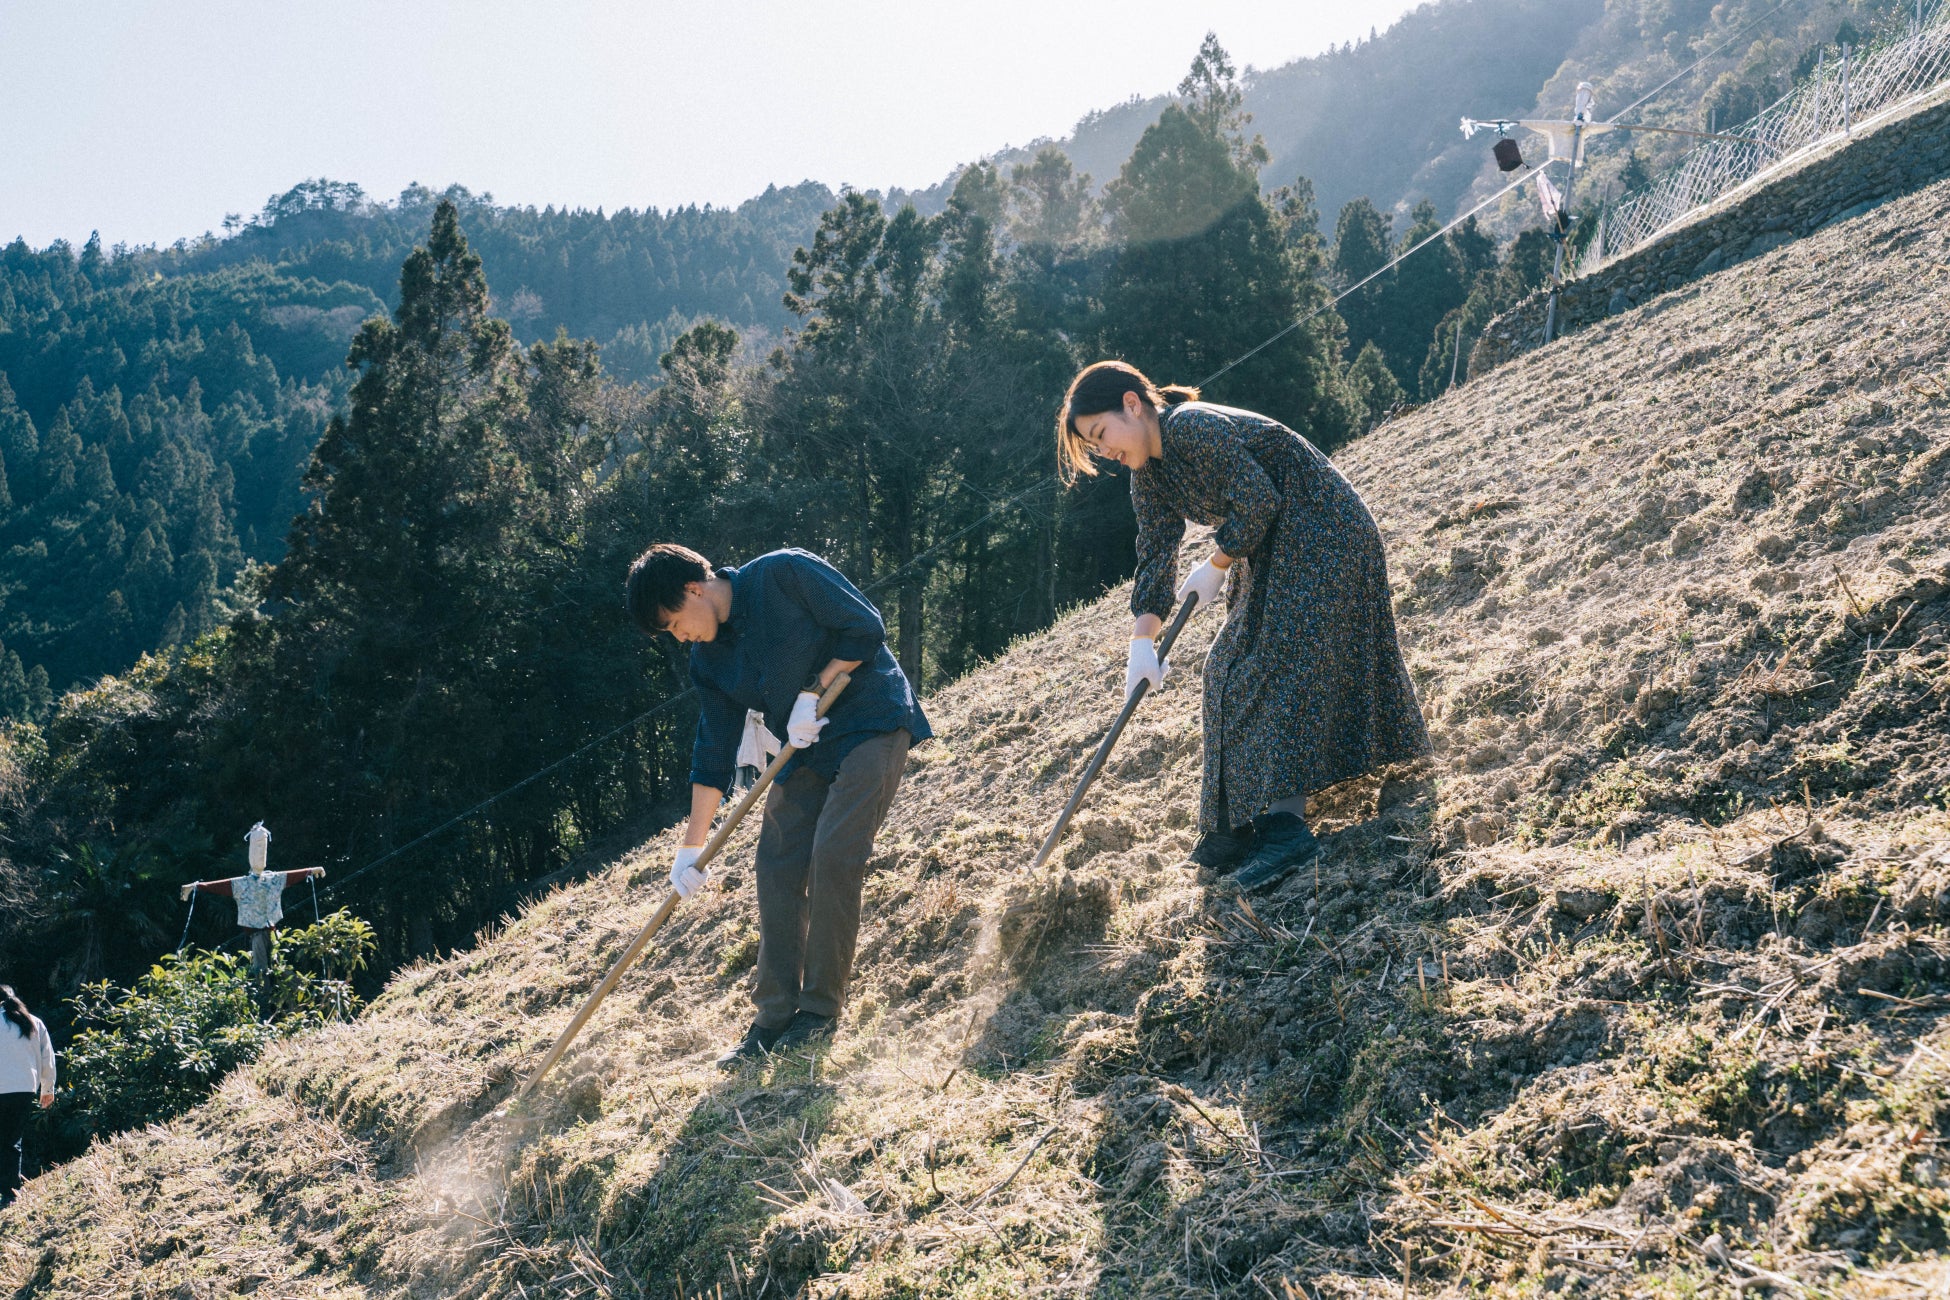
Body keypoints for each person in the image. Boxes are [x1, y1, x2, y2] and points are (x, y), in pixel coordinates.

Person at [1056, 360, 1430, 892]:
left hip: (1324, 529)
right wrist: (1142, 638)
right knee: (1225, 669)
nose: (1107, 451)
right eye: (1095, 448)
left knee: (1275, 663)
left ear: (1132, 405)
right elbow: (1155, 554)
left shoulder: (1192, 427)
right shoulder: (1148, 477)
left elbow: (1259, 498)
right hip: (1274, 545)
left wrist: (1215, 564)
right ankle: (1230, 827)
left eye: (1102, 434)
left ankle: (1286, 827)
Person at [625, 544, 931, 1067]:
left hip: (869, 719)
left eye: (676, 624)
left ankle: (817, 1013)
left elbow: (865, 626)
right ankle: (771, 1018)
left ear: (695, 589)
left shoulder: (783, 574)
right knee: (776, 863)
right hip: (804, 744)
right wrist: (689, 849)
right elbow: (713, 750)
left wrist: (813, 691)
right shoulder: (708, 660)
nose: (681, 638)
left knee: (834, 854)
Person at [180, 822, 326, 973]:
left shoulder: (273, 879)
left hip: (272, 930)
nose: (260, 852)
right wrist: (195, 886)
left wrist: (310, 871)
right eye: (257, 847)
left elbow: (291, 875)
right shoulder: (242, 884)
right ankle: (264, 991)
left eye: (263, 848)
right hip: (257, 932)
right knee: (261, 969)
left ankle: (273, 988)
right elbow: (216, 885)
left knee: (276, 965)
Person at [0, 984, 55, 1209]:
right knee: (12, 1141)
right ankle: (11, 1193)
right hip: (24, 1089)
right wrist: (48, 1089)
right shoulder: (33, 1022)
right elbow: (47, 1057)